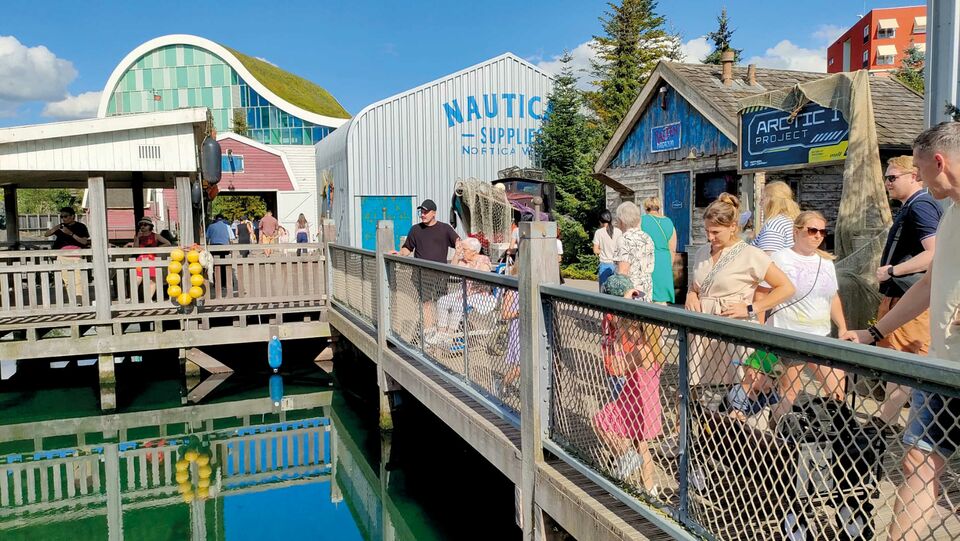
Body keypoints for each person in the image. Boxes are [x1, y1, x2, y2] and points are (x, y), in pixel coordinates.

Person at [848, 122, 960, 541]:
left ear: (938, 162)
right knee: (918, 462)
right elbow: (929, 285)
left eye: (918, 168)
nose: (917, 177)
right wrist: (872, 333)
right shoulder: (951, 214)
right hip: (941, 366)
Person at [684, 193, 795, 391]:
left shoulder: (751, 254)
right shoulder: (702, 252)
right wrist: (691, 294)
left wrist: (752, 308)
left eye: (716, 232)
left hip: (733, 329)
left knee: (738, 387)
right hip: (702, 331)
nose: (710, 237)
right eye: (707, 231)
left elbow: (786, 287)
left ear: (733, 227)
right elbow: (696, 285)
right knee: (699, 388)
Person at [744, 211, 849, 417]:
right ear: (797, 231)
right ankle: (780, 428)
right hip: (789, 335)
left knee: (837, 388)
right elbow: (762, 293)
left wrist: (843, 327)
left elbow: (833, 297)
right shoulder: (780, 258)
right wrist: (761, 328)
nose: (817, 236)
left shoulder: (826, 262)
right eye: (812, 230)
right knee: (790, 390)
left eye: (822, 232)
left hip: (820, 335)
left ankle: (831, 426)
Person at [872, 155, 942, 428]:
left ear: (914, 176)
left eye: (893, 177)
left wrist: (893, 270)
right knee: (899, 360)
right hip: (903, 296)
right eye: (886, 178)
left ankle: (893, 425)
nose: (888, 183)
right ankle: (889, 422)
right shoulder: (913, 206)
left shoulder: (920, 205)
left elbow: (933, 252)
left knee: (907, 361)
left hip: (910, 297)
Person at [593, 273, 663, 493]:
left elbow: (617, 369)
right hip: (645, 403)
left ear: (637, 329)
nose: (625, 331)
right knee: (642, 444)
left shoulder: (640, 351)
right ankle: (649, 487)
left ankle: (625, 456)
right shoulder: (653, 348)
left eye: (629, 328)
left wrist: (616, 344)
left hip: (634, 403)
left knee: (600, 421)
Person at [397, 199, 461, 334]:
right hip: (421, 274)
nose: (423, 215)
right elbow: (407, 248)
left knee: (442, 303)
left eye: (425, 212)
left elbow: (458, 242)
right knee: (426, 303)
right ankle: (429, 332)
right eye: (421, 212)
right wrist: (398, 253)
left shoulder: (444, 229)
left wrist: (458, 250)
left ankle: (443, 332)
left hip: (441, 274)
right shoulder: (415, 230)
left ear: (434, 213)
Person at [429, 237, 494, 343]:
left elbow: (483, 277)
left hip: (480, 294)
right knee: (442, 301)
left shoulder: (483, 259)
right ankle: (441, 332)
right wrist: (457, 253)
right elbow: (452, 270)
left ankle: (449, 334)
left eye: (465, 249)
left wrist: (472, 268)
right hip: (465, 292)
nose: (463, 252)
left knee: (457, 304)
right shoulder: (464, 261)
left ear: (474, 251)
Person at [44, 206, 90, 304]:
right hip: (62, 255)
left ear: (72, 216)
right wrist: (56, 227)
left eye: (65, 216)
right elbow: (46, 234)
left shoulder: (81, 226)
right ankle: (73, 301)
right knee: (67, 281)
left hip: (76, 255)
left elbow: (84, 241)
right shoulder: (61, 227)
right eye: (61, 217)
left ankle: (79, 301)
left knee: (78, 280)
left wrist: (70, 234)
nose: (63, 218)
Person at [613, 202, 654, 299]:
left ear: (622, 220)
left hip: (631, 291)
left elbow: (623, 272)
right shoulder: (647, 237)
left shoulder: (624, 239)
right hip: (646, 288)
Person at [640, 197, 677, 304]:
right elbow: (672, 249)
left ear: (646, 208)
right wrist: (669, 266)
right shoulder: (669, 222)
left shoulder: (642, 220)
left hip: (648, 260)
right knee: (661, 299)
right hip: (664, 261)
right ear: (659, 207)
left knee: (647, 296)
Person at [126, 217, 171, 299]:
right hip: (140, 258)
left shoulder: (155, 235)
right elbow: (135, 249)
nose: (142, 226)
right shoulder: (137, 236)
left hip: (152, 258)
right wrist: (137, 238)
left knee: (152, 280)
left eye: (145, 224)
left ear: (150, 226)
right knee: (137, 279)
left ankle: (149, 299)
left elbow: (168, 243)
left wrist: (157, 248)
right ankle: (133, 299)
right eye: (141, 224)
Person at [752, 181, 801, 254]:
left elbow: (768, 257)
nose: (760, 204)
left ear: (771, 202)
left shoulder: (775, 225)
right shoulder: (790, 221)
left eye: (762, 199)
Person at [205, 215, 235, 296]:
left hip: (214, 247)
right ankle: (225, 283)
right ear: (223, 219)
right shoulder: (227, 226)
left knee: (214, 265)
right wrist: (231, 249)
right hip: (224, 247)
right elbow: (231, 238)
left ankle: (217, 283)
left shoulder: (211, 226)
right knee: (224, 265)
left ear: (215, 219)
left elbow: (207, 238)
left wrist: (207, 248)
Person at [592, 210, 622, 290]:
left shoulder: (598, 232)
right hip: (617, 265)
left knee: (603, 291)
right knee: (615, 291)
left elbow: (595, 250)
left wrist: (603, 251)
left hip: (604, 265)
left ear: (600, 221)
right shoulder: (619, 231)